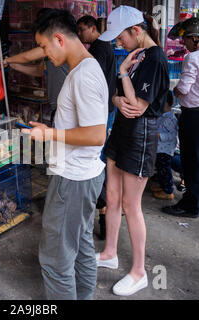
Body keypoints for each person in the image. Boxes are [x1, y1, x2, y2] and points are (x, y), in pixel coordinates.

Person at [21, 9, 108, 300]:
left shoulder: (83, 75)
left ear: (59, 39)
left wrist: (50, 134)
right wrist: (51, 129)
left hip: (73, 180)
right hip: (84, 176)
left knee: (56, 260)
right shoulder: (85, 68)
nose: (45, 54)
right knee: (81, 243)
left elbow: (97, 135)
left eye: (45, 47)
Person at [95, 6, 169, 296]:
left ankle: (139, 272)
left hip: (141, 136)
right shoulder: (137, 54)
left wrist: (124, 72)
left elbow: (138, 107)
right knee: (111, 197)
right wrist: (115, 98)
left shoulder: (155, 59)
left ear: (136, 31)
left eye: (121, 37)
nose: (118, 43)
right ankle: (110, 252)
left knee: (131, 206)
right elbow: (119, 96)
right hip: (121, 133)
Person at [77, 15, 117, 240]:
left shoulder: (99, 49)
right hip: (103, 112)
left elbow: (93, 84)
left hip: (101, 113)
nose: (81, 34)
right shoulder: (102, 47)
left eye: (82, 30)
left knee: (97, 161)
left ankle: (102, 210)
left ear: (93, 28)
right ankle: (101, 210)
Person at [0, 9, 69, 126]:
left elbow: (28, 56)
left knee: (61, 141)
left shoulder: (55, 45)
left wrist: (7, 60)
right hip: (57, 107)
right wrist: (14, 65)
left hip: (65, 110)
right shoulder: (51, 53)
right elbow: (40, 70)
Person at [162, 18, 199, 219]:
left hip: (193, 115)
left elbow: (183, 88)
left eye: (186, 39)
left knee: (190, 160)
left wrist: (173, 91)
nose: (183, 43)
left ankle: (191, 205)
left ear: (195, 39)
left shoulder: (193, 58)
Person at [150, 90, 178, 200]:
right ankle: (163, 187)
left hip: (165, 150)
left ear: (166, 103)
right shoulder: (162, 116)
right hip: (159, 149)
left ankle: (168, 191)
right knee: (161, 170)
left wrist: (159, 135)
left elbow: (172, 136)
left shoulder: (170, 119)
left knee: (165, 171)